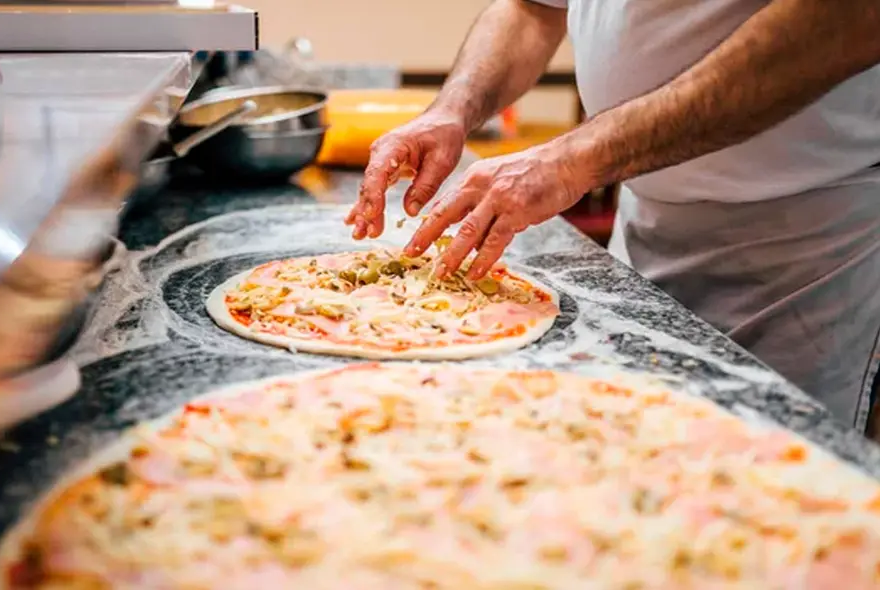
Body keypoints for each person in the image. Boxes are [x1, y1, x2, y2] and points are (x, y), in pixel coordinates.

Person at [345, 0, 880, 432]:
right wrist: (452, 109)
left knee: (772, 501)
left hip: (806, 254)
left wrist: (573, 159)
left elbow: (845, 21)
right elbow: (532, 10)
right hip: (644, 231)